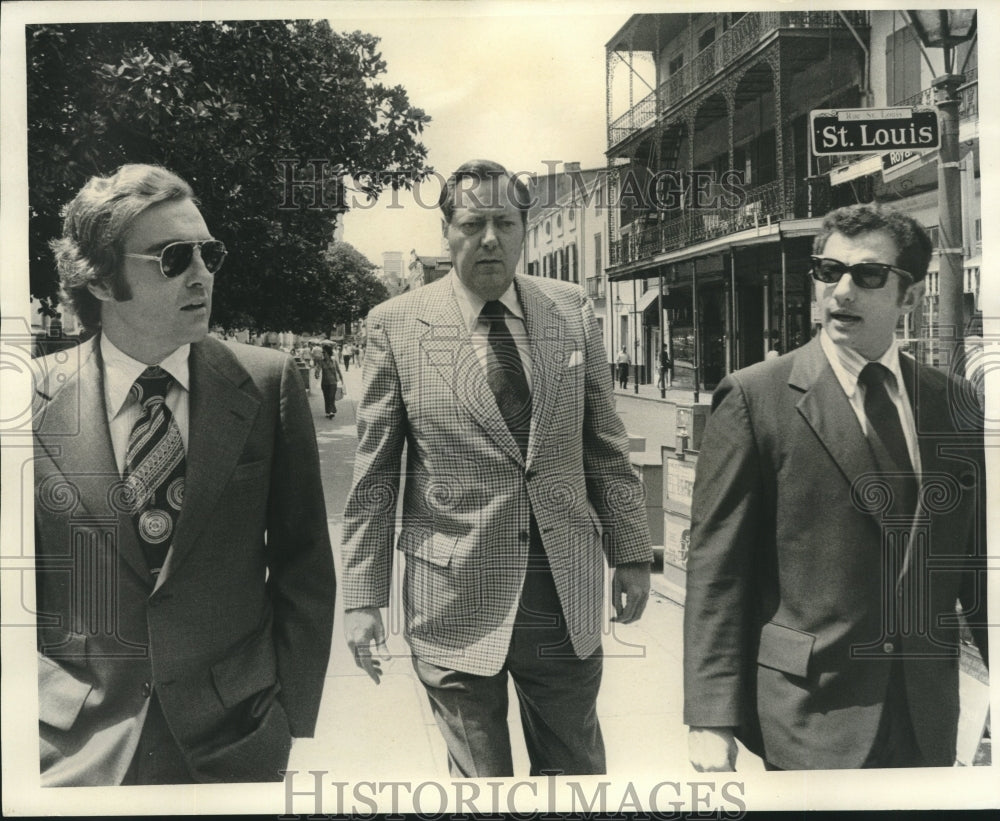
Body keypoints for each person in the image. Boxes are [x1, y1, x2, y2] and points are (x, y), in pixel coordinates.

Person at [341, 159, 652, 777]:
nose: (489, 238)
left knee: (577, 779)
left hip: (562, 595)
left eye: (504, 223)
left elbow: (605, 447)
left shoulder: (571, 312)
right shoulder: (397, 326)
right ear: (446, 233)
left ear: (524, 230)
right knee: (482, 789)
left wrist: (634, 554)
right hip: (451, 599)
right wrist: (361, 596)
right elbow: (374, 477)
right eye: (472, 222)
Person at [32, 164, 336, 786]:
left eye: (209, 253)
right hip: (74, 750)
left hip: (236, 740)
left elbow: (305, 566)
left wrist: (288, 719)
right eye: (174, 258)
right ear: (102, 277)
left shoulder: (266, 384)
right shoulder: (28, 402)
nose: (202, 275)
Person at [683, 203, 988, 771]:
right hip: (809, 713)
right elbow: (717, 570)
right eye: (828, 271)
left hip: (926, 713)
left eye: (868, 275)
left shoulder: (955, 403)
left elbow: (976, 561)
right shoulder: (756, 397)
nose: (842, 291)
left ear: (911, 296)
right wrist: (710, 717)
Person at [319, 342, 344, 418]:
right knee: (326, 397)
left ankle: (331, 411)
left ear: (328, 353)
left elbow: (338, 370)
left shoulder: (333, 361)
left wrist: (342, 378)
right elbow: (317, 370)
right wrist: (316, 374)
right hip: (324, 383)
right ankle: (328, 412)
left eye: (324, 352)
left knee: (331, 397)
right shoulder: (321, 362)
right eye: (323, 352)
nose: (323, 354)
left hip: (333, 382)